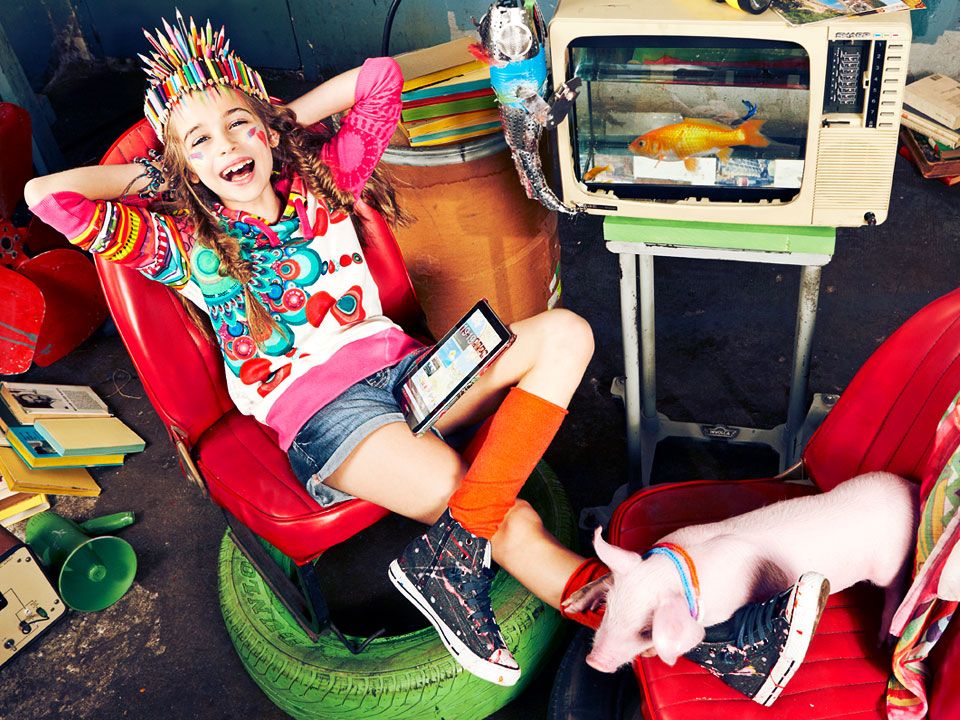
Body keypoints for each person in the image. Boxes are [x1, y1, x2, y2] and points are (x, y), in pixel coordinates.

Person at [23, 10, 828, 697]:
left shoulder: (325, 182)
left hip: (410, 372)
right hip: (328, 416)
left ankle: (451, 557)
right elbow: (45, 198)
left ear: (267, 129)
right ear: (181, 165)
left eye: (239, 124)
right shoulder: (180, 242)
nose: (227, 145)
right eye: (200, 141)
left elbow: (379, 82)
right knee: (509, 520)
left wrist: (278, 119)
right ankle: (716, 648)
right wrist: (166, 175)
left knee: (567, 334)